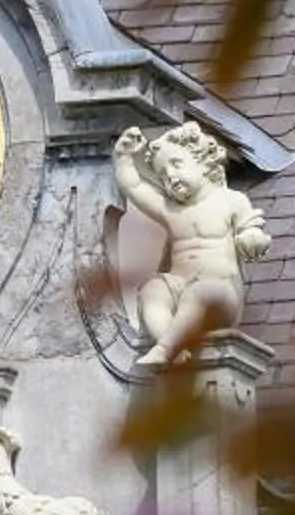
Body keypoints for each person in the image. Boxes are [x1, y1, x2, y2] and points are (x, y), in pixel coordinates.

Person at [114, 123, 270, 366]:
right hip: (180, 286)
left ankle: (165, 349)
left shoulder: (230, 201)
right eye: (163, 175)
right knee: (151, 290)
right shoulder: (171, 210)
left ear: (203, 162)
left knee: (200, 292)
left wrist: (252, 239)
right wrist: (123, 157)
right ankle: (171, 343)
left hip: (220, 293)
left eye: (176, 164)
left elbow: (251, 228)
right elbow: (134, 187)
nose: (171, 177)